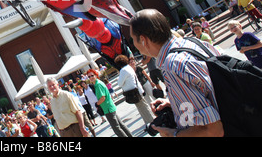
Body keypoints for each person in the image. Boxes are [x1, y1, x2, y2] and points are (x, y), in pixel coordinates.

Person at [130, 8, 224, 137]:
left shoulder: (172, 66)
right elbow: (209, 89)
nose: (134, 45)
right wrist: (176, 103)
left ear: (143, 40)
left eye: (133, 40)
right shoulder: (194, 43)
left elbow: (212, 130)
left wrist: (172, 134)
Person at [86, 69, 133, 137]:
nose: (91, 77)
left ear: (96, 75)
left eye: (92, 75)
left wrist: (97, 104)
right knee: (120, 125)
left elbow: (102, 97)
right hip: (109, 107)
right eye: (89, 76)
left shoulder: (98, 84)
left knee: (116, 128)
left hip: (107, 108)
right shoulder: (97, 84)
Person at [114, 55, 155, 126]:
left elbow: (120, 83)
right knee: (142, 107)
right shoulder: (129, 68)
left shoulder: (123, 70)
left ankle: (152, 122)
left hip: (133, 92)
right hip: (137, 90)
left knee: (143, 108)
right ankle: (148, 123)